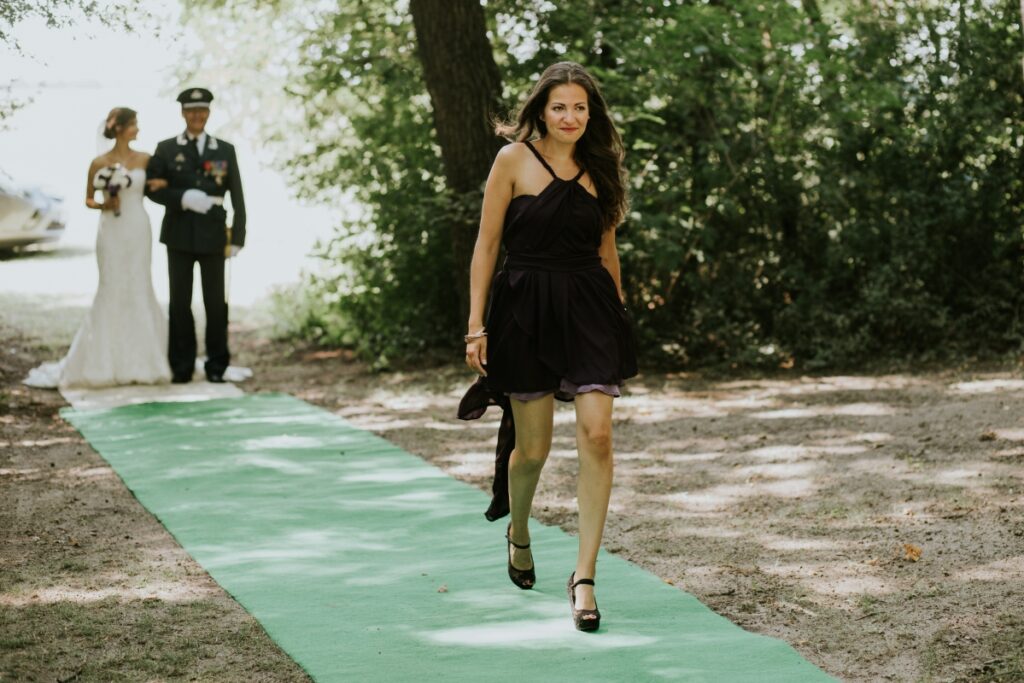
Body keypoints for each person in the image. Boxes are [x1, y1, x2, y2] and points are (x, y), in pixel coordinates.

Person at [458, 62, 637, 632]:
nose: (570, 117)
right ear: (541, 109)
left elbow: (607, 252)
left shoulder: (601, 167)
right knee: (532, 450)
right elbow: (487, 245)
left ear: (591, 113)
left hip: (590, 308)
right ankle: (519, 529)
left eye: (580, 107)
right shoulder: (512, 160)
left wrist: (620, 314)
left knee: (598, 435)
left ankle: (584, 578)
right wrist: (476, 325)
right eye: (560, 107)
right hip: (525, 308)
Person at [24, 107, 172, 389]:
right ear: (120, 128)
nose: (138, 129)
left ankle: (147, 360)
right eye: (134, 124)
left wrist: (161, 183)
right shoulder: (98, 163)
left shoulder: (145, 158)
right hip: (111, 229)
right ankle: (103, 362)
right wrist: (104, 204)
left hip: (137, 226)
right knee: (111, 284)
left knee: (140, 283)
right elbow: (88, 199)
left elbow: (159, 185)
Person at [145, 87, 246, 384]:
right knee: (180, 303)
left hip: (214, 235)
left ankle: (216, 365)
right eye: (191, 111)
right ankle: (182, 365)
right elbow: (151, 189)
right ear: (183, 113)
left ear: (209, 113)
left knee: (216, 303)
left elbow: (238, 197)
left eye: (201, 111)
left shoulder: (224, 149)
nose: (197, 116)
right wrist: (182, 197)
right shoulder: (166, 148)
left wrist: (238, 237)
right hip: (179, 234)